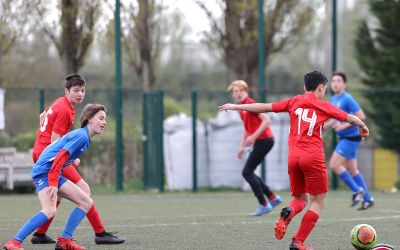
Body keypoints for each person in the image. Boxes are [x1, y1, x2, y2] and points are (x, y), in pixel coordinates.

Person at [218, 71, 369, 250]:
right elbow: (350, 118)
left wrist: (236, 107)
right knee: (318, 202)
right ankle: (298, 241)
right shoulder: (324, 105)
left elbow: (264, 107)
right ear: (321, 88)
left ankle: (288, 212)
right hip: (313, 157)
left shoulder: (293, 102)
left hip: (293, 158)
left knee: (300, 198)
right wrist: (363, 126)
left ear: (304, 87)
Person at [30, 74, 124, 245]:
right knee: (84, 189)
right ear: (67, 91)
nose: (80, 94)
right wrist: (70, 159)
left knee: (56, 196)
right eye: (75, 91)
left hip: (40, 152)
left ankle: (40, 234)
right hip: (49, 156)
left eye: (82, 90)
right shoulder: (65, 110)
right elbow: (55, 143)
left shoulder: (62, 103)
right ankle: (100, 233)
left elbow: (42, 116)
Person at [3, 104, 109, 250]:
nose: (104, 122)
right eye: (101, 118)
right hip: (45, 172)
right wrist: (53, 182)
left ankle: (65, 241)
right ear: (90, 119)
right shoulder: (82, 136)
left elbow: (58, 151)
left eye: (105, 119)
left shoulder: (84, 136)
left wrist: (71, 161)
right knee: (49, 210)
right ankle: (13, 243)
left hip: (49, 171)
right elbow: (60, 157)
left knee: (85, 201)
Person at [226, 80, 281, 216]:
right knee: (249, 171)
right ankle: (272, 198)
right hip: (261, 141)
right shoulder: (241, 108)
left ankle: (264, 204)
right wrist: (241, 147)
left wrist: (254, 136)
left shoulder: (250, 104)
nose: (238, 94)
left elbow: (266, 120)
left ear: (246, 91)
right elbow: (246, 129)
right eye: (235, 91)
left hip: (265, 140)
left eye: (240, 90)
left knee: (247, 172)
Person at [327, 71, 374, 210]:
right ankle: (368, 199)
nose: (335, 83)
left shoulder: (347, 98)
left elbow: (361, 116)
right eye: (333, 81)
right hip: (345, 138)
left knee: (334, 165)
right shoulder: (333, 99)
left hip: (351, 138)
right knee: (353, 170)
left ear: (344, 84)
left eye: (338, 81)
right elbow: (335, 117)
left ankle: (357, 191)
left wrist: (342, 126)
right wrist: (325, 125)